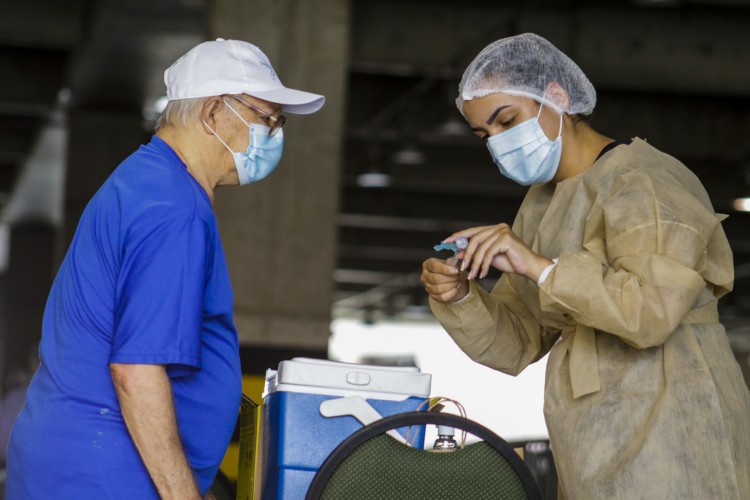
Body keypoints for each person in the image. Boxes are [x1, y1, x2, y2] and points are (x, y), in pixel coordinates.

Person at [421, 33, 750, 499]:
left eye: (507, 120)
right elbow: (520, 342)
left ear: (555, 97)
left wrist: (539, 266)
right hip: (588, 430)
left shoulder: (642, 180)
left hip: (670, 413)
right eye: (484, 135)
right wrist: (461, 298)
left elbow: (650, 311)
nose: (497, 143)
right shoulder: (541, 206)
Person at [7, 38, 324, 499]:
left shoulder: (147, 181)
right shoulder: (176, 210)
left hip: (83, 462)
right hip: (107, 473)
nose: (274, 134)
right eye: (267, 119)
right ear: (214, 112)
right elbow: (136, 370)